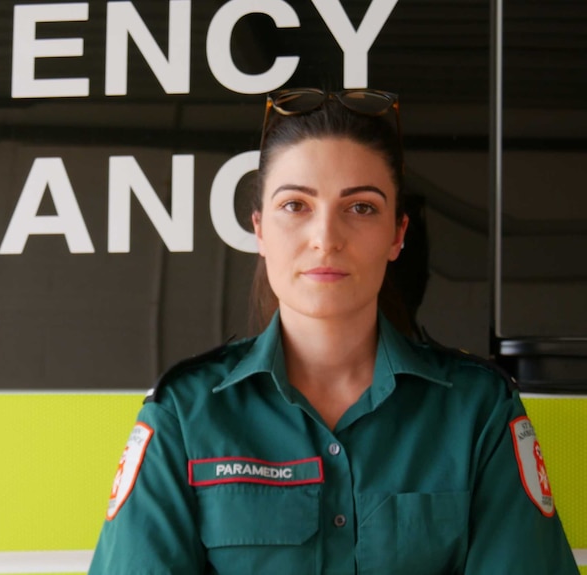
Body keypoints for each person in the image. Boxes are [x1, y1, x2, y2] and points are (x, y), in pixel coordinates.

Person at [88, 88, 579, 574]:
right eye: (295, 206)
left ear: (397, 234)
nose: (326, 238)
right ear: (259, 230)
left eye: (361, 207)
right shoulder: (185, 415)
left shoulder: (478, 412)